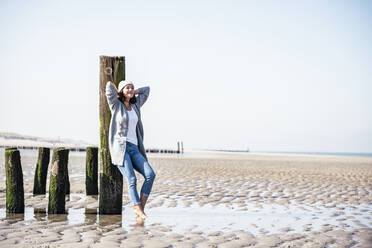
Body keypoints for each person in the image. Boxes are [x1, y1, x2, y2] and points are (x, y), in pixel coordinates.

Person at [105, 80, 156, 220]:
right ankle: (137, 208)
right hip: (121, 148)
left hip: (134, 148)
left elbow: (147, 89)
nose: (131, 89)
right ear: (121, 91)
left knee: (150, 174)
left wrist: (135, 91)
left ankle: (140, 208)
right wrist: (118, 91)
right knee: (131, 178)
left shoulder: (136, 105)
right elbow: (108, 86)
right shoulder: (116, 105)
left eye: (132, 87)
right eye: (127, 87)